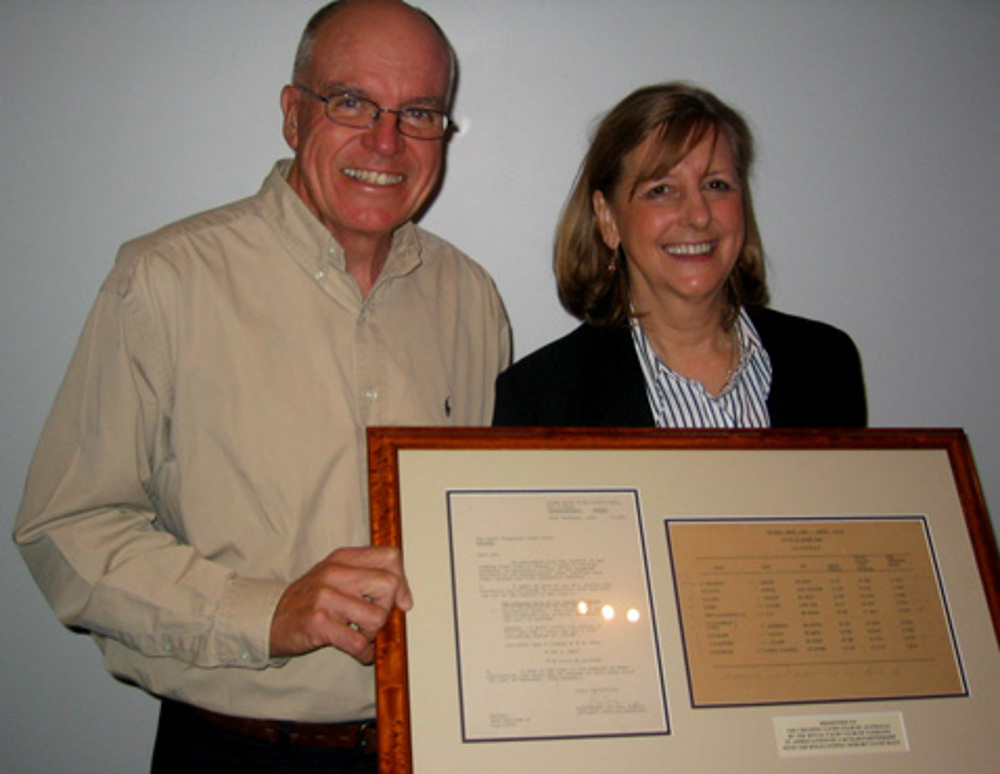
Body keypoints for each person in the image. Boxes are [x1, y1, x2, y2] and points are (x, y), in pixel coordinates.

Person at [14, 1, 510, 771]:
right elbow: (68, 529)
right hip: (235, 750)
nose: (386, 141)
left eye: (419, 113)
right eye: (351, 102)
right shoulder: (165, 280)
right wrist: (265, 611)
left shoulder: (471, 299)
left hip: (430, 746)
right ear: (292, 114)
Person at [493, 82, 865, 429]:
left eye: (716, 185)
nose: (699, 215)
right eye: (661, 190)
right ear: (608, 219)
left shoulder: (827, 362)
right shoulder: (541, 398)